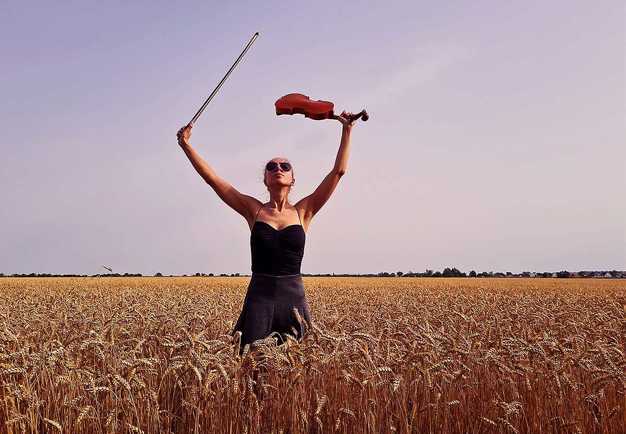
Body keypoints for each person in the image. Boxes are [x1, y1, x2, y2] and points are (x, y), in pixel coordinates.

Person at [176, 111, 358, 354]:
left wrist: (347, 130)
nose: (278, 168)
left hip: (293, 300)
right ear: (265, 179)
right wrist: (186, 145)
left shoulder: (304, 211)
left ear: (293, 179)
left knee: (295, 368)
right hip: (259, 298)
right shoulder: (253, 210)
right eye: (271, 166)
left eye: (285, 166)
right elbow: (213, 180)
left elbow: (338, 172)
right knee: (252, 365)